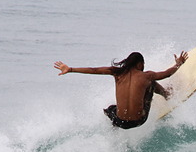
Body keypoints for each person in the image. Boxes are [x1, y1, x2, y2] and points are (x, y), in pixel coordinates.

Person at [54, 51, 188, 129]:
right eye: (143, 64)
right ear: (139, 64)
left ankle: (114, 128)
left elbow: (93, 70)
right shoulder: (146, 76)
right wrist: (179, 64)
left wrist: (70, 69)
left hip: (120, 121)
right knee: (151, 83)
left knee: (110, 109)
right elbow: (167, 73)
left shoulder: (117, 72)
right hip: (138, 121)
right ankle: (167, 94)